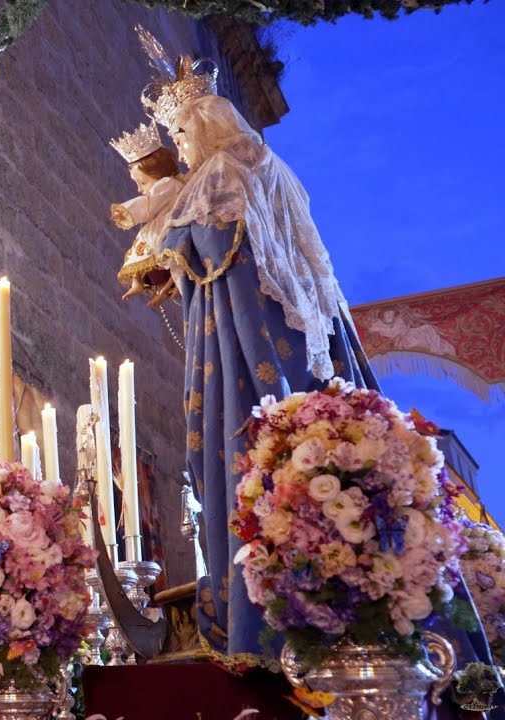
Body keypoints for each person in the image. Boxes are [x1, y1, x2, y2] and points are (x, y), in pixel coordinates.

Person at [135, 30, 375, 666]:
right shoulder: (268, 166)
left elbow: (212, 246)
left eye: (181, 134)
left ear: (202, 126)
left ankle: (261, 633)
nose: (180, 148)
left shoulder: (217, 174)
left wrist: (162, 239)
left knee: (243, 451)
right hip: (295, 338)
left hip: (243, 333)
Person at [107, 121, 185, 302]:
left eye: (142, 182)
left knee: (148, 241)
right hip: (165, 224)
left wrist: (126, 211)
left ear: (158, 172)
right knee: (142, 245)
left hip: (169, 226)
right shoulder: (173, 183)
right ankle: (144, 283)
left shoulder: (168, 184)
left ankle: (155, 286)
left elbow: (150, 202)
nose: (139, 189)